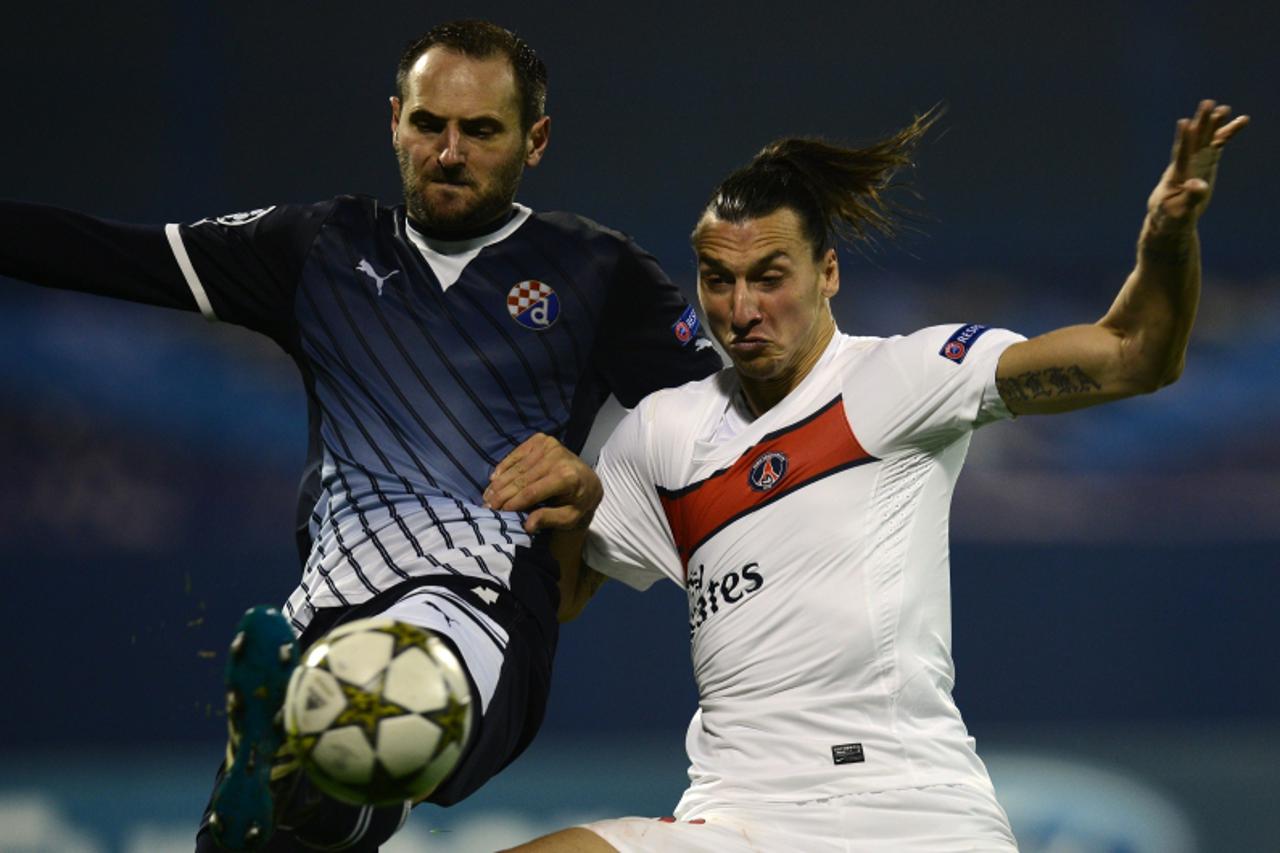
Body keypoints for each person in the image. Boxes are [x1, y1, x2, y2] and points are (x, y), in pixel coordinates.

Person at [0, 19, 721, 852]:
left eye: (481, 131)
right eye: (428, 125)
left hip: (476, 600)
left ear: (536, 140)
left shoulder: (596, 271)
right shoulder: (320, 248)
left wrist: (599, 479)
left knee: (398, 707)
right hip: (323, 614)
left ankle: (315, 767)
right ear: (394, 121)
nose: (449, 152)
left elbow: (717, 429)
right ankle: (305, 776)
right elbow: (109, 255)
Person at [485, 99, 1249, 851]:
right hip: (739, 816)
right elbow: (567, 597)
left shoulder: (905, 376)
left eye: (769, 276)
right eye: (718, 279)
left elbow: (1135, 354)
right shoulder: (664, 430)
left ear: (828, 272)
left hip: (912, 807)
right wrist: (576, 506)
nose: (742, 308)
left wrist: (1168, 236)